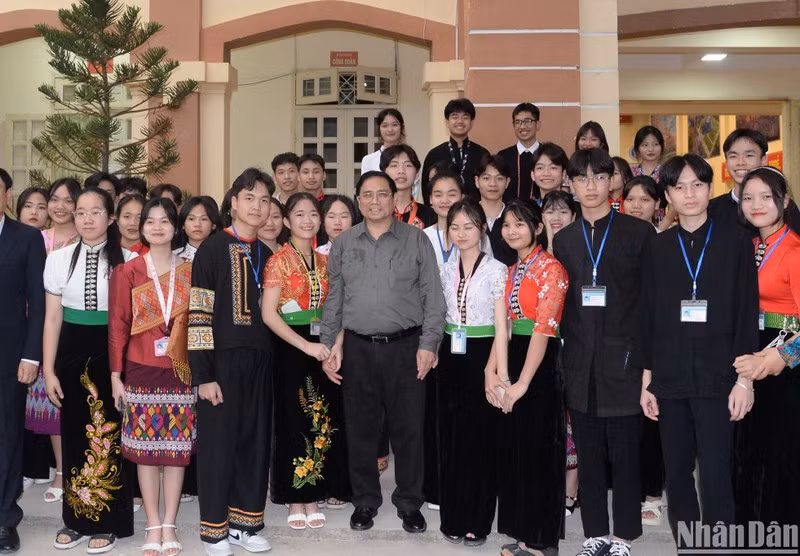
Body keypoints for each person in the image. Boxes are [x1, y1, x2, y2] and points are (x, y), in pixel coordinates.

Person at [637, 154, 758, 546]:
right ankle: (690, 546)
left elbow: (745, 312)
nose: (689, 194)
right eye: (679, 187)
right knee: (676, 474)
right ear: (667, 195)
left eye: (697, 185)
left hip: (719, 376)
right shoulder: (657, 248)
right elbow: (648, 318)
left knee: (717, 474)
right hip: (670, 379)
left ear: (711, 189)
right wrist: (647, 380)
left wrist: (745, 380)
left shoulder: (736, 242)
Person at [320, 171, 446, 534]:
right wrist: (330, 345)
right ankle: (364, 501)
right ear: (358, 201)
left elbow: (432, 298)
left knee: (409, 430)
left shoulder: (416, 240)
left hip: (406, 348)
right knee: (360, 429)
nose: (375, 201)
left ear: (395, 199)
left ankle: (409, 502)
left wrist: (428, 344)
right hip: (358, 348)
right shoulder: (344, 244)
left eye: (382, 194)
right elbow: (335, 300)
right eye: (367, 195)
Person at [553, 148, 655, 556]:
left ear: (612, 182)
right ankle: (594, 532)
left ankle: (624, 535)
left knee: (626, 455)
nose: (591, 186)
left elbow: (651, 303)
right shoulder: (563, 239)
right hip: (580, 362)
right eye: (582, 179)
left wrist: (647, 363)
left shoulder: (637, 233)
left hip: (625, 360)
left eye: (599, 177)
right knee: (590, 454)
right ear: (571, 185)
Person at [188, 168, 274, 556]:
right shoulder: (211, 249)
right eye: (250, 198)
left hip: (260, 363)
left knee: (254, 443)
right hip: (220, 365)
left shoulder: (270, 254)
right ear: (234, 202)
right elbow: (199, 315)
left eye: (265, 200)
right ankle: (214, 530)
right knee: (218, 446)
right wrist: (203, 375)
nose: (258, 206)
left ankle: (246, 523)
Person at [43, 187, 133, 553]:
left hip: (112, 352)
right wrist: (48, 370)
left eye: (96, 212)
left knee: (111, 434)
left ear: (111, 218)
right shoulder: (57, 259)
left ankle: (109, 522)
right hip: (71, 352)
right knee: (77, 434)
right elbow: (51, 319)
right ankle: (76, 519)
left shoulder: (128, 259)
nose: (86, 218)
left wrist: (123, 368)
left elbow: (130, 320)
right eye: (80, 212)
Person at [109, 198, 195, 556]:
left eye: (165, 221)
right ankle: (152, 524)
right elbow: (117, 327)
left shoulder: (192, 269)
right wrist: (116, 376)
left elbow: (203, 324)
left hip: (181, 370)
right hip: (141, 369)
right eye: (151, 221)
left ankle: (171, 522)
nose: (157, 227)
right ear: (141, 227)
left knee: (175, 451)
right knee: (146, 452)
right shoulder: (127, 272)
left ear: (176, 228)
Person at [262, 192, 350, 530]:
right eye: (298, 215)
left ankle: (313, 493)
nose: (307, 220)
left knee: (320, 420)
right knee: (291, 420)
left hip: (323, 346)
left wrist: (332, 346)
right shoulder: (278, 261)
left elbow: (337, 311)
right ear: (286, 220)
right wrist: (306, 347)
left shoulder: (327, 262)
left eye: (313, 214)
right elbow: (269, 315)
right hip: (289, 348)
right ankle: (293, 497)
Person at [490, 199, 568, 556]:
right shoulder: (511, 268)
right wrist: (497, 373)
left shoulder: (552, 269)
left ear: (537, 227)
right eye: (507, 225)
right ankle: (523, 532)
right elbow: (503, 325)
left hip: (541, 362)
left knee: (539, 451)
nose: (512, 231)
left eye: (520, 224)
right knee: (516, 449)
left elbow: (544, 328)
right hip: (516, 354)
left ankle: (541, 540)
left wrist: (522, 382)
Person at [436, 199, 506, 546]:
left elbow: (501, 326)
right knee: (451, 439)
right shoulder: (444, 270)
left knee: (480, 442)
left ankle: (477, 520)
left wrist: (492, 370)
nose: (462, 233)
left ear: (482, 229)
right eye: (455, 227)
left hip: (483, 355)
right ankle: (452, 516)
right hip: (450, 355)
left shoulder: (497, 271)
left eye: (469, 226)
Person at [733, 167, 800, 534]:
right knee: (751, 450)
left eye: (766, 196)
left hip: (786, 358)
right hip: (753, 350)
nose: (756, 204)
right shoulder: (754, 246)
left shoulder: (793, 250)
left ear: (784, 201)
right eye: (748, 197)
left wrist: (782, 358)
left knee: (781, 455)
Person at [24, 178, 81, 503]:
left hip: (73, 329)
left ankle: (74, 469)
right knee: (51, 405)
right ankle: (61, 470)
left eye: (67, 199)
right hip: (40, 327)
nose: (60, 206)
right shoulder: (36, 238)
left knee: (74, 404)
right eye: (54, 199)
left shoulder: (83, 241)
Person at [0, 170, 46, 554]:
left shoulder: (27, 238)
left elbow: (39, 302)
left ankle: (4, 519)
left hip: (10, 357)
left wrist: (31, 354)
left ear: (6, 194)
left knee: (7, 437)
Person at [709, 128, 800, 235]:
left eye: (749, 155)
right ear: (727, 162)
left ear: (763, 161)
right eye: (733, 156)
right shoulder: (712, 208)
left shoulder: (780, 205)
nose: (740, 162)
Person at [421, 98, 489, 203]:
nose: (460, 121)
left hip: (475, 214)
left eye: (465, 117)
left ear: (471, 122)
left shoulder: (482, 153)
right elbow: (426, 191)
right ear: (447, 122)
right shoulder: (434, 155)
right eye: (455, 117)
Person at [381, 145, 436, 229]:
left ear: (417, 174)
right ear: (383, 173)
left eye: (408, 165)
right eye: (394, 165)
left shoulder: (430, 215)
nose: (401, 171)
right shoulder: (377, 212)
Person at [497, 103, 542, 201]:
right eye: (518, 122)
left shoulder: (547, 154)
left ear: (538, 125)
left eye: (527, 121)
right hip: (509, 213)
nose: (522, 126)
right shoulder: (503, 156)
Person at [174, 196, 222, 263]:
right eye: (191, 219)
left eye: (204, 219)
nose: (197, 224)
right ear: (183, 224)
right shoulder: (173, 257)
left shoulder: (223, 256)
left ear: (213, 225)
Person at [361, 109, 406, 174]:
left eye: (394, 125)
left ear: (402, 127)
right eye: (385, 126)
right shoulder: (369, 160)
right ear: (378, 128)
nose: (390, 129)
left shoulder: (409, 157)